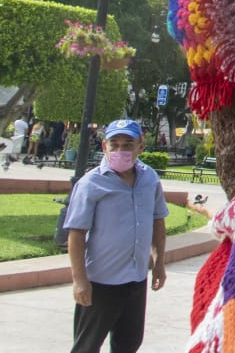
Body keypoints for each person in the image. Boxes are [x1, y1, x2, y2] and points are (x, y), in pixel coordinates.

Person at [64, 119, 167, 353]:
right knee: (87, 346)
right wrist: (80, 280)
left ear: (141, 146)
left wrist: (159, 262)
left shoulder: (149, 179)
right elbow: (76, 233)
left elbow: (157, 220)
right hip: (101, 283)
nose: (121, 150)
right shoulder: (91, 183)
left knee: (129, 344)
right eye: (115, 144)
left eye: (128, 144)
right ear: (104, 146)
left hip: (136, 281)